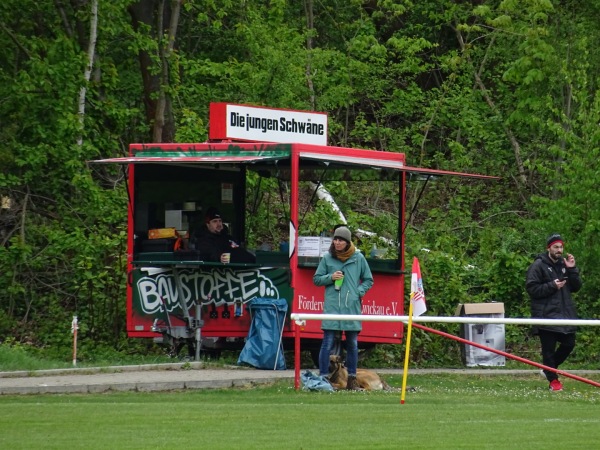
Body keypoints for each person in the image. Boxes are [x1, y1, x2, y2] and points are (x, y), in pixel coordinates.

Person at [313, 226, 374, 390]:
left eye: (340, 240)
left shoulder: (358, 258)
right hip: (332, 307)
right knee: (327, 343)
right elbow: (317, 279)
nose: (337, 242)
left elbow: (368, 280)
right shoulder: (327, 258)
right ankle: (323, 377)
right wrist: (330, 277)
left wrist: (358, 293)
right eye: (335, 239)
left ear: (347, 242)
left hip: (351, 307)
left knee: (353, 344)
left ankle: (352, 379)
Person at [526, 233, 582, 391]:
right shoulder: (538, 265)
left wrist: (572, 269)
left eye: (561, 247)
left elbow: (576, 287)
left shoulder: (564, 265)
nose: (559, 250)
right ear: (548, 248)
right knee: (548, 351)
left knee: (569, 344)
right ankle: (554, 382)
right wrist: (552, 285)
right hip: (546, 315)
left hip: (565, 315)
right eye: (556, 247)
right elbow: (532, 288)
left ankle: (548, 369)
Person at [190, 207, 255, 263]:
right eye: (215, 221)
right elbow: (209, 254)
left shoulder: (227, 237)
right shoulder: (203, 239)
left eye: (220, 221)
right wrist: (219, 257)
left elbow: (240, 250)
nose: (218, 224)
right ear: (208, 224)